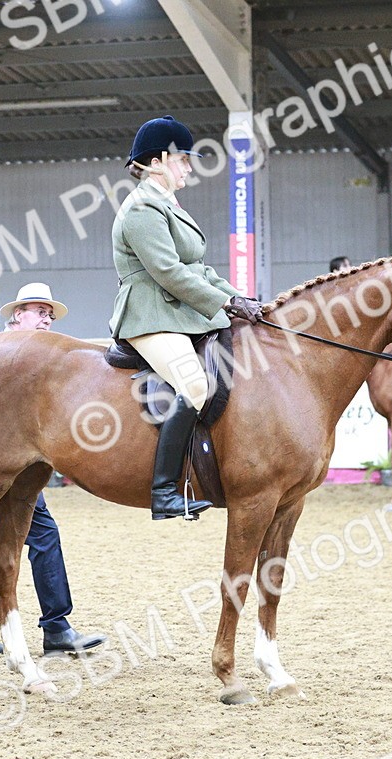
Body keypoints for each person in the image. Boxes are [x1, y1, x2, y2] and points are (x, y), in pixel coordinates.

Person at [108, 114, 263, 521]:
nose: (190, 167)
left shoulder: (166, 203)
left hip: (177, 311)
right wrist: (223, 305)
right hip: (150, 314)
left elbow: (199, 269)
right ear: (157, 160)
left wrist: (241, 300)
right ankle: (164, 493)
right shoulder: (142, 207)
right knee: (194, 385)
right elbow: (168, 272)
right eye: (183, 159)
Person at [0, 282, 105, 657]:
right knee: (4, 544)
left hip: (23, 468)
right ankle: (33, 629)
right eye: (38, 310)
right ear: (17, 316)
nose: (46, 318)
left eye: (49, 313)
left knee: (19, 541)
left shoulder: (38, 359)